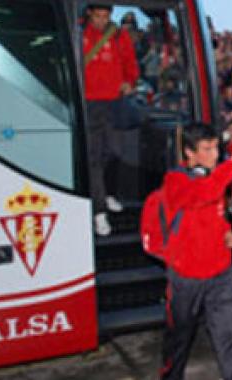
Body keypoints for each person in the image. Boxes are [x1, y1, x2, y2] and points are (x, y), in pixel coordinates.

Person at [159, 123, 232, 380]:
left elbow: (215, 213)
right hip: (186, 277)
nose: (214, 155)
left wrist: (227, 233)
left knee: (230, 337)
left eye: (216, 148)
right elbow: (205, 194)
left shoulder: (213, 179)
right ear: (189, 153)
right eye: (207, 149)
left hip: (220, 273)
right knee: (179, 339)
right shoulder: (176, 180)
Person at [82, 4, 139, 236]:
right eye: (98, 16)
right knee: (94, 157)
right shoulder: (79, 34)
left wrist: (130, 81)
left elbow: (130, 64)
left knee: (114, 151)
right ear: (89, 14)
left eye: (106, 16)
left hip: (114, 102)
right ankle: (99, 212)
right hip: (88, 102)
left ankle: (105, 192)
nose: (101, 21)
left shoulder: (117, 35)